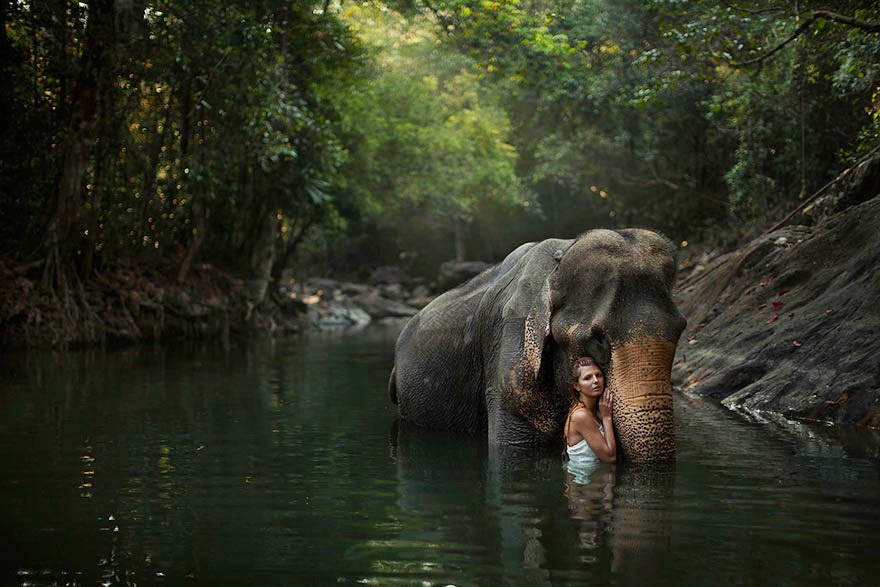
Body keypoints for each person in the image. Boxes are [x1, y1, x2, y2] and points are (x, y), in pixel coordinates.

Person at [564, 356, 617, 473]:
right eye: (588, 378)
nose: (596, 381)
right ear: (577, 386)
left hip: (595, 478)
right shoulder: (581, 416)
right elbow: (610, 457)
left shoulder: (591, 411)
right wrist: (607, 418)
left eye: (598, 375)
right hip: (584, 482)